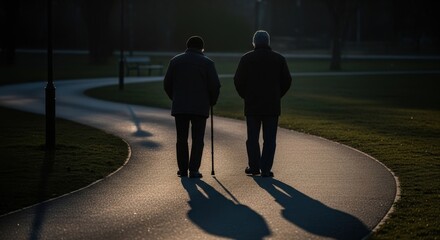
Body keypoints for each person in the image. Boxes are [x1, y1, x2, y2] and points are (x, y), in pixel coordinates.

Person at [234, 30, 292, 177]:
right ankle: (266, 169)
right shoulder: (279, 59)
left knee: (252, 138)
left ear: (254, 42)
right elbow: (287, 80)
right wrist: (278, 95)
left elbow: (238, 80)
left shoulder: (246, 59)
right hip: (272, 105)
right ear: (268, 42)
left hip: (252, 104)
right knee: (270, 139)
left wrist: (245, 96)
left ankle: (254, 166)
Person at [164, 36, 221, 178]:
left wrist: (175, 97)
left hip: (180, 106)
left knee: (181, 139)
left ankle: (182, 170)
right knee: (198, 139)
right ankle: (194, 169)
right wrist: (211, 101)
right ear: (202, 48)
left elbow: (167, 84)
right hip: (200, 107)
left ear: (187, 46)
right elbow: (215, 86)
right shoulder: (208, 63)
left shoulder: (175, 61)